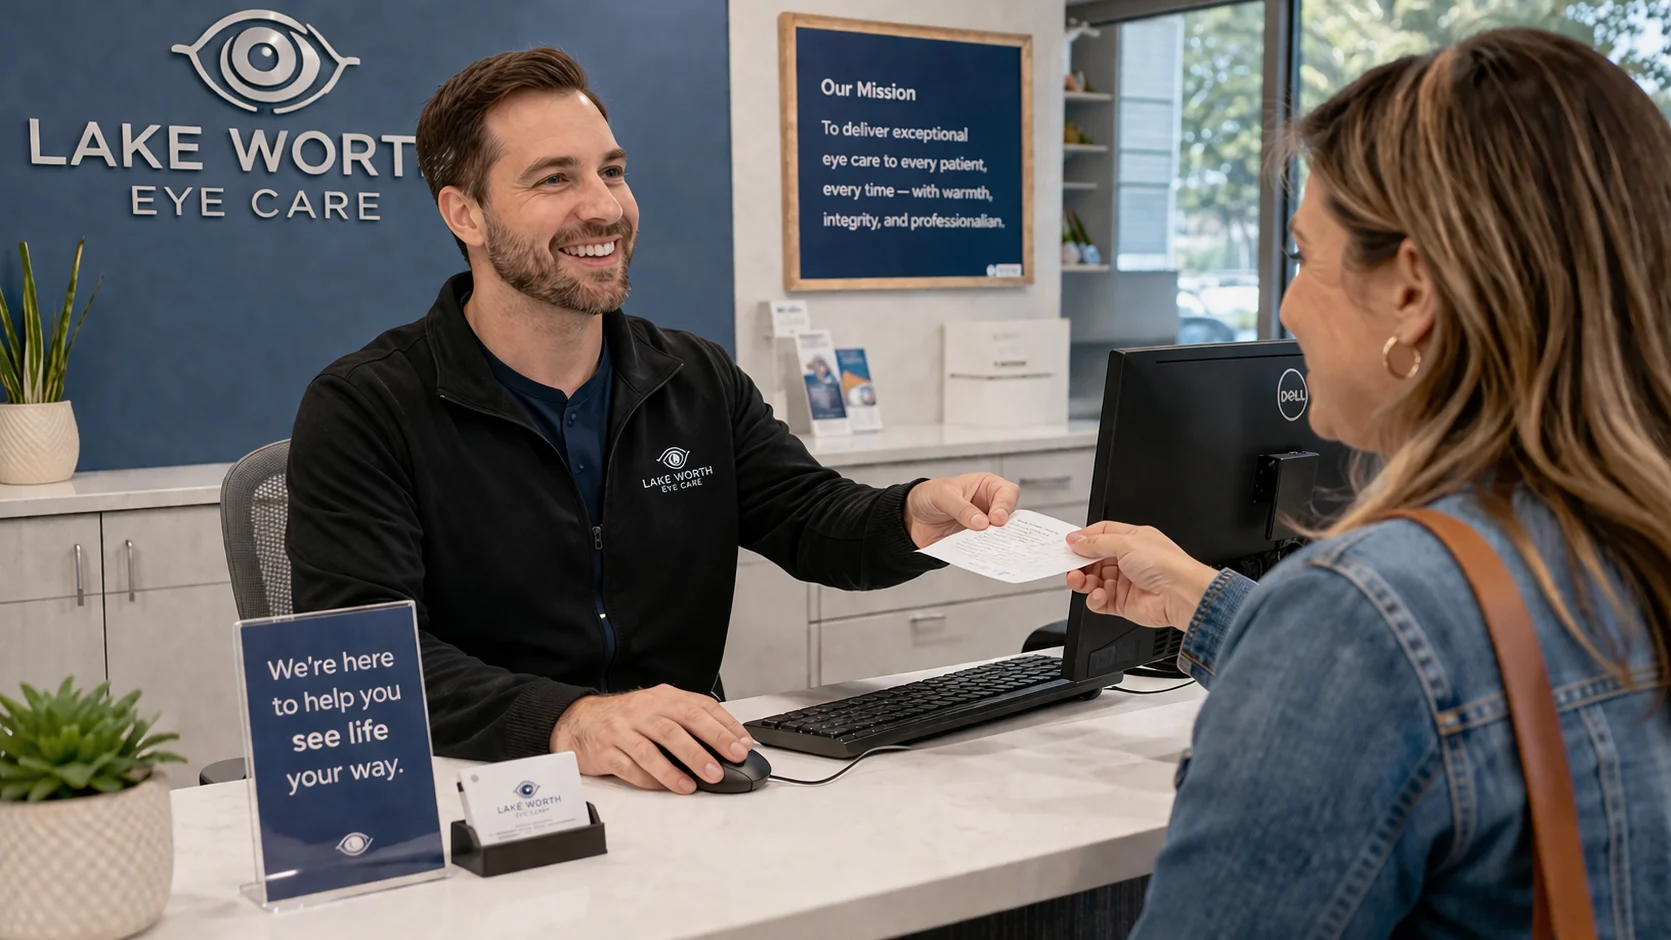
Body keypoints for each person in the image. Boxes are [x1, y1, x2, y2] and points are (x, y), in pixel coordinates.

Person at [1064, 28, 1671, 937]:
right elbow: (1461, 695)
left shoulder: (1364, 615)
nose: (1285, 305)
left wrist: (1310, 632)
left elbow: (1395, 659)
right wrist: (1211, 604)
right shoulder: (1624, 540)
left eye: (1304, 257)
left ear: (1412, 291)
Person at [285, 48, 1021, 795]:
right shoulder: (366, 407)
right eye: (554, 178)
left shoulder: (692, 376)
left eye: (610, 170)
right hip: (486, 792)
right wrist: (572, 719)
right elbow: (361, 657)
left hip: (687, 778)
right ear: (464, 213)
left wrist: (910, 515)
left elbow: (809, 518)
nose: (604, 206)